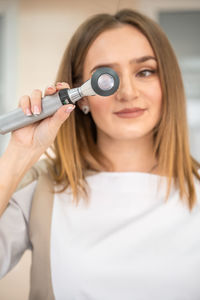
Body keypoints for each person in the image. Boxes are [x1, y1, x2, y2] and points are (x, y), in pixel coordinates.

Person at [0, 8, 200, 300]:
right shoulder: (40, 189)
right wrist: (19, 153)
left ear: (166, 84)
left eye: (145, 71)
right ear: (82, 99)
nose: (128, 93)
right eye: (106, 78)